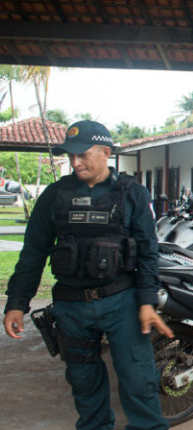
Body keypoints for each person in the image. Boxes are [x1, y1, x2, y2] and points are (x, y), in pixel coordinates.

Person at [3, 120, 174, 430]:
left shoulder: (132, 193)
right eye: (71, 156)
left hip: (122, 301)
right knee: (84, 386)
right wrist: (17, 301)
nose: (75, 162)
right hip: (71, 307)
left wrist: (147, 300)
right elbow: (33, 252)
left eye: (82, 155)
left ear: (105, 152)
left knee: (139, 382)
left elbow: (149, 251)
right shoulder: (55, 195)